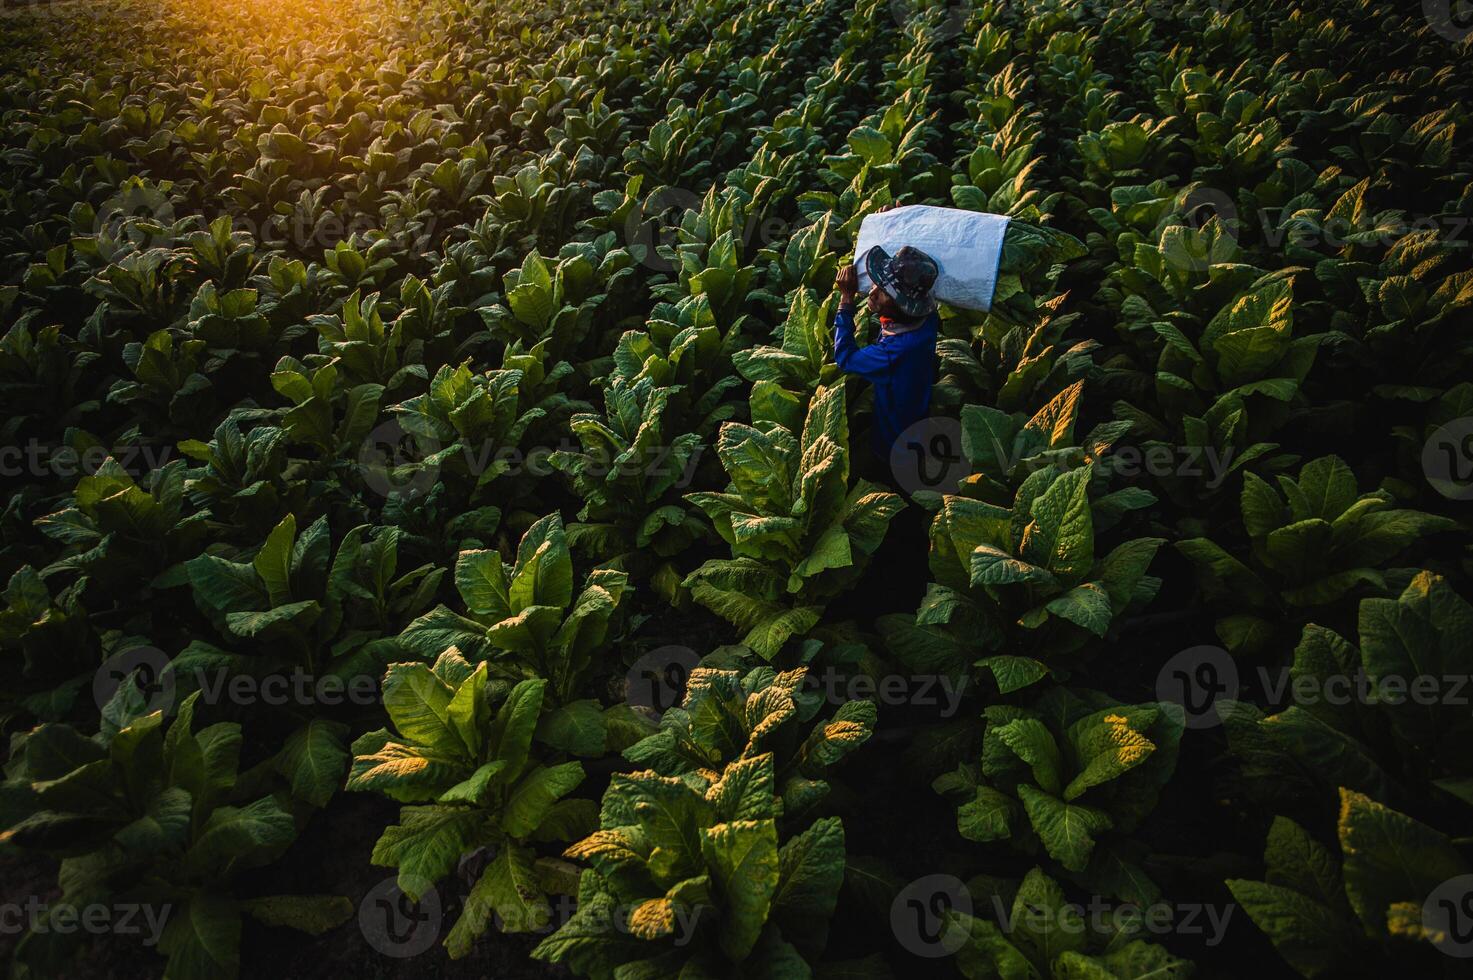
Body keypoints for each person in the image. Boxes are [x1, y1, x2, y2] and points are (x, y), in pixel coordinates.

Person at [832, 241, 940, 472]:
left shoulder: (894, 352)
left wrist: (846, 301)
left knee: (892, 469)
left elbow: (845, 357)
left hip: (894, 439)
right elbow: (913, 265)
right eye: (877, 284)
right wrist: (891, 221)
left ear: (903, 306)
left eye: (884, 292)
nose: (873, 292)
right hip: (917, 408)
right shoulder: (926, 318)